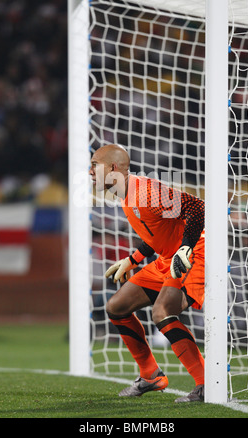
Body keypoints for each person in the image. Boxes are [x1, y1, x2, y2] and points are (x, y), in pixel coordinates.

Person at [89, 144, 205, 403]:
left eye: (94, 165)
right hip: (168, 257)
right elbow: (157, 235)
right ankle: (151, 374)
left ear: (113, 168)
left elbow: (198, 208)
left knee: (162, 311)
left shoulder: (147, 192)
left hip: (194, 252)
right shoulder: (125, 195)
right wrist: (132, 260)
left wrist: (185, 248)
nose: (90, 172)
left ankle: (206, 382)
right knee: (117, 306)